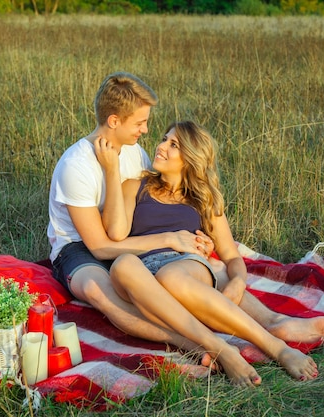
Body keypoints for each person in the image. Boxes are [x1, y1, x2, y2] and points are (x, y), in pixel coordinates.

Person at [98, 121, 324, 386]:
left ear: (191, 158)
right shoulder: (135, 186)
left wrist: (238, 281)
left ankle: (277, 346)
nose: (161, 146)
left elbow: (231, 256)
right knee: (122, 264)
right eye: (164, 139)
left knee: (174, 276)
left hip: (181, 266)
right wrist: (112, 171)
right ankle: (226, 347)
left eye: (173, 144)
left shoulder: (203, 200)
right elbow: (115, 233)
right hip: (142, 275)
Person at [47, 72, 213, 351]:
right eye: (140, 122)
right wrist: (169, 239)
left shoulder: (134, 152)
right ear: (114, 121)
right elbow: (99, 247)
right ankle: (186, 341)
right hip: (79, 247)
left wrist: (197, 239)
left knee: (173, 279)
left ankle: (206, 323)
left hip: (125, 238)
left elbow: (150, 208)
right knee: (99, 291)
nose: (145, 131)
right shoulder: (75, 165)